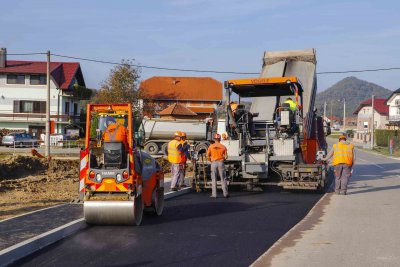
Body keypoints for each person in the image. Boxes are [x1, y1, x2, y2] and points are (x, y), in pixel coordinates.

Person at [207, 133, 229, 198]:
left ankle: (214, 195)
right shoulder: (223, 146)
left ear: (214, 139)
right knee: (223, 178)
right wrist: (223, 159)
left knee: (214, 179)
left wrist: (211, 161)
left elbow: (207, 156)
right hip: (220, 162)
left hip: (213, 163)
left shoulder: (211, 146)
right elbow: (226, 156)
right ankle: (225, 194)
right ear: (219, 139)